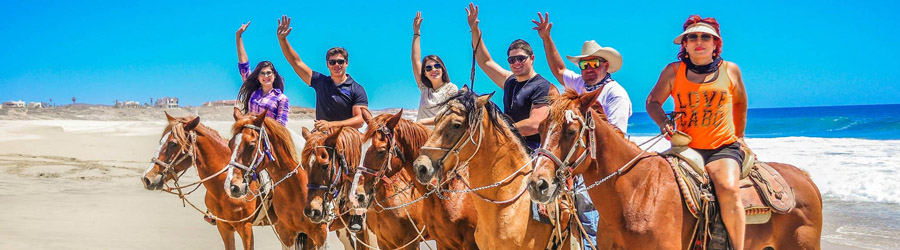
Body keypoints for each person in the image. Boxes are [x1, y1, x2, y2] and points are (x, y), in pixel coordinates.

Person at [646, 15, 748, 249]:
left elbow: (740, 103)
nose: (698, 41)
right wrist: (663, 122)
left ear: (715, 44)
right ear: (685, 44)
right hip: (685, 149)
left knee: (728, 189)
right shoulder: (673, 71)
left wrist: (740, 137)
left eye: (705, 37)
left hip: (722, 148)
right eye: (692, 37)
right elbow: (652, 102)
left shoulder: (730, 70)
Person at [532, 12, 633, 249]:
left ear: (606, 66)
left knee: (590, 220)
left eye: (594, 63)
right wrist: (546, 38)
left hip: (603, 169)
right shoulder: (581, 85)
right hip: (579, 163)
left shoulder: (614, 93)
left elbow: (614, 138)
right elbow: (558, 70)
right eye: (585, 64)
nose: (588, 68)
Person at [466, 3, 551, 150]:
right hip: (508, 144)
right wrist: (474, 29)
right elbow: (485, 61)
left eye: (521, 58)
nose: (516, 63)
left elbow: (535, 124)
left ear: (532, 58)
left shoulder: (542, 86)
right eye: (512, 60)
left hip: (533, 148)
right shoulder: (510, 80)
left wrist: (498, 129)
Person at [276, 15, 368, 130]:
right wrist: (282, 40)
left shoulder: (357, 89)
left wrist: (330, 124)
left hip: (347, 136)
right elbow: (296, 62)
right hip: (321, 135)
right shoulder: (320, 81)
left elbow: (359, 120)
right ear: (327, 64)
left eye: (340, 61)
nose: (337, 65)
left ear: (346, 63)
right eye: (332, 62)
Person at [235, 21, 290, 126]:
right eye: (262, 73)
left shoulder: (281, 98)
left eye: (269, 73)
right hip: (250, 134)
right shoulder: (254, 92)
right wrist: (238, 36)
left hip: (269, 136)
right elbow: (244, 65)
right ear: (258, 77)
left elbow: (281, 125)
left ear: (274, 76)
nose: (266, 76)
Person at [411, 11, 459, 125]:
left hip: (439, 139)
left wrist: (422, 122)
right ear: (425, 74)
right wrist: (416, 33)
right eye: (428, 68)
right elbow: (415, 59)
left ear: (442, 69)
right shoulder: (424, 89)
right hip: (421, 137)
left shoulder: (451, 89)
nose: (433, 70)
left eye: (437, 66)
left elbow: (448, 115)